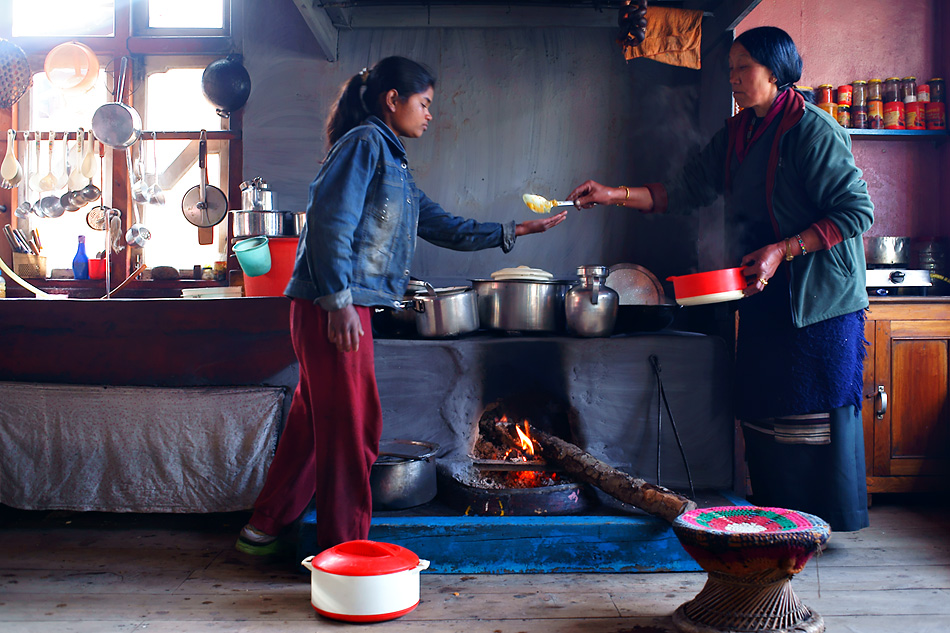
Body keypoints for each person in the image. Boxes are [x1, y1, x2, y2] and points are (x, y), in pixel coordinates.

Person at [236, 56, 567, 556]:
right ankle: (345, 555)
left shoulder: (392, 159)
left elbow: (438, 223)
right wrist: (339, 303)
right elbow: (329, 224)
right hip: (333, 303)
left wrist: (516, 230)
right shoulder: (365, 144)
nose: (431, 114)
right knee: (354, 430)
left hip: (338, 302)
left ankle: (263, 529)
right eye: (425, 103)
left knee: (314, 422)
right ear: (394, 100)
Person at [567, 27, 873, 532]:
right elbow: (683, 191)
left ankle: (817, 525)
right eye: (729, 68)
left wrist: (784, 249)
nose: (732, 78)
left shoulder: (813, 131)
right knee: (764, 406)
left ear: (775, 73)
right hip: (759, 289)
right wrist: (612, 193)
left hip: (816, 298)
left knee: (808, 416)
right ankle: (777, 519)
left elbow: (857, 211)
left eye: (742, 68)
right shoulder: (738, 134)